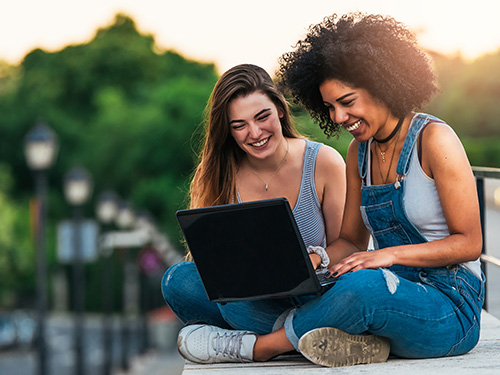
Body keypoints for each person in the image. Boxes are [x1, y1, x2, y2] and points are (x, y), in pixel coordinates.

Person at [168, 13, 485, 368]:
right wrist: (312, 260)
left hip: (449, 302)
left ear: (382, 84)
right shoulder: (358, 152)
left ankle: (262, 347)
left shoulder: (435, 139)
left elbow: (470, 243)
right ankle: (327, 334)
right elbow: (350, 242)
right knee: (181, 281)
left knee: (364, 288)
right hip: (390, 289)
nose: (337, 117)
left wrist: (388, 256)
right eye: (330, 107)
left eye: (347, 102)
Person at [161, 64, 346, 362]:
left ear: (280, 110)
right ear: (228, 131)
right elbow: (214, 267)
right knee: (178, 281)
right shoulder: (218, 174)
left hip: (313, 294)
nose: (255, 133)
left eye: (263, 117)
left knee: (234, 306)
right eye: (239, 125)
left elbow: (347, 246)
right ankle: (298, 338)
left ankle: (260, 343)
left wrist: (307, 262)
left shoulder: (324, 162)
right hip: (252, 300)